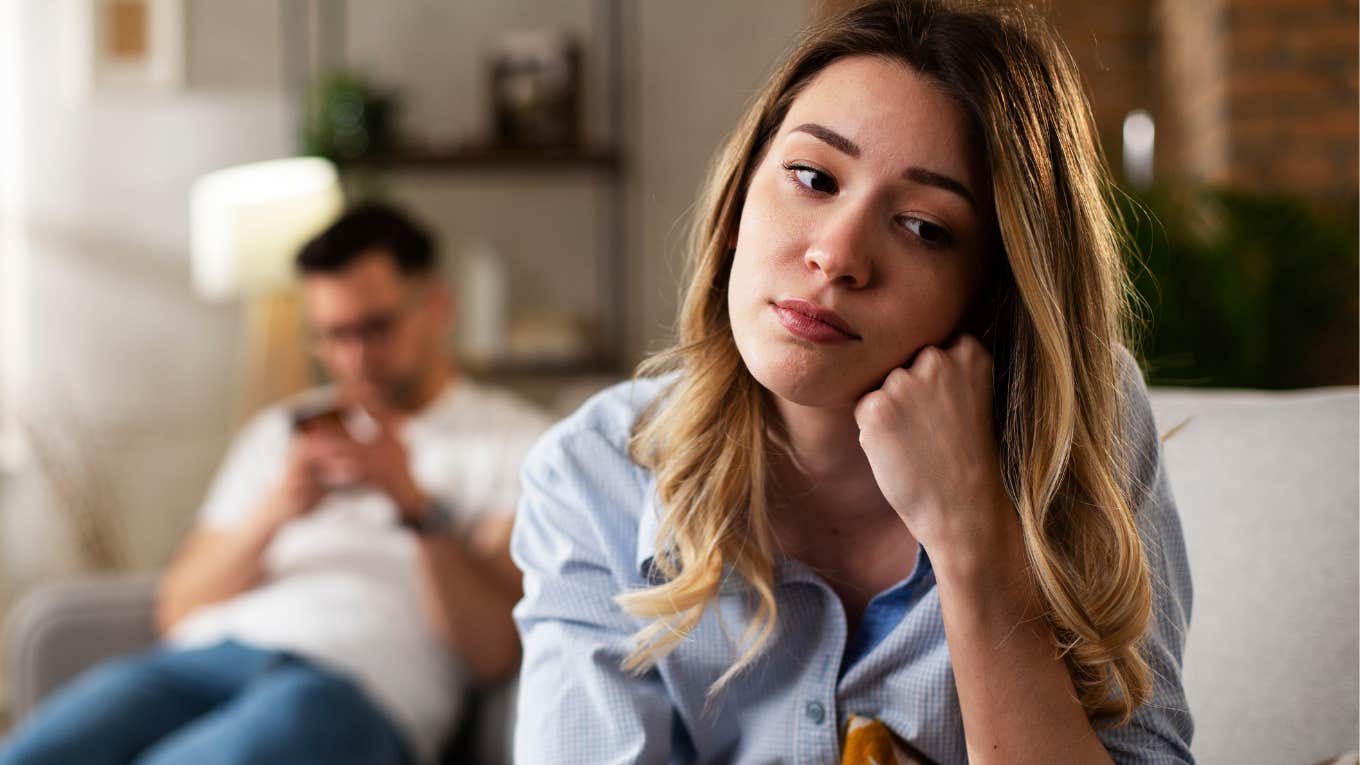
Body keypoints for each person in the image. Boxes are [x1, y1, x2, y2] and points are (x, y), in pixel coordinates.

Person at [510, 2, 1193, 763]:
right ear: (738, 200)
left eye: (924, 227)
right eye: (812, 177)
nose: (838, 255)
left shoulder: (1077, 435)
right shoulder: (593, 476)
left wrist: (972, 542)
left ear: (993, 291)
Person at [0, 204, 550, 765]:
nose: (354, 358)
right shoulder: (279, 433)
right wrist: (279, 508)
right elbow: (176, 609)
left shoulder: (522, 446)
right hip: (209, 658)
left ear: (437, 305)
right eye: (333, 336)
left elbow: (493, 652)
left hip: (353, 684)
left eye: (375, 328)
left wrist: (412, 503)